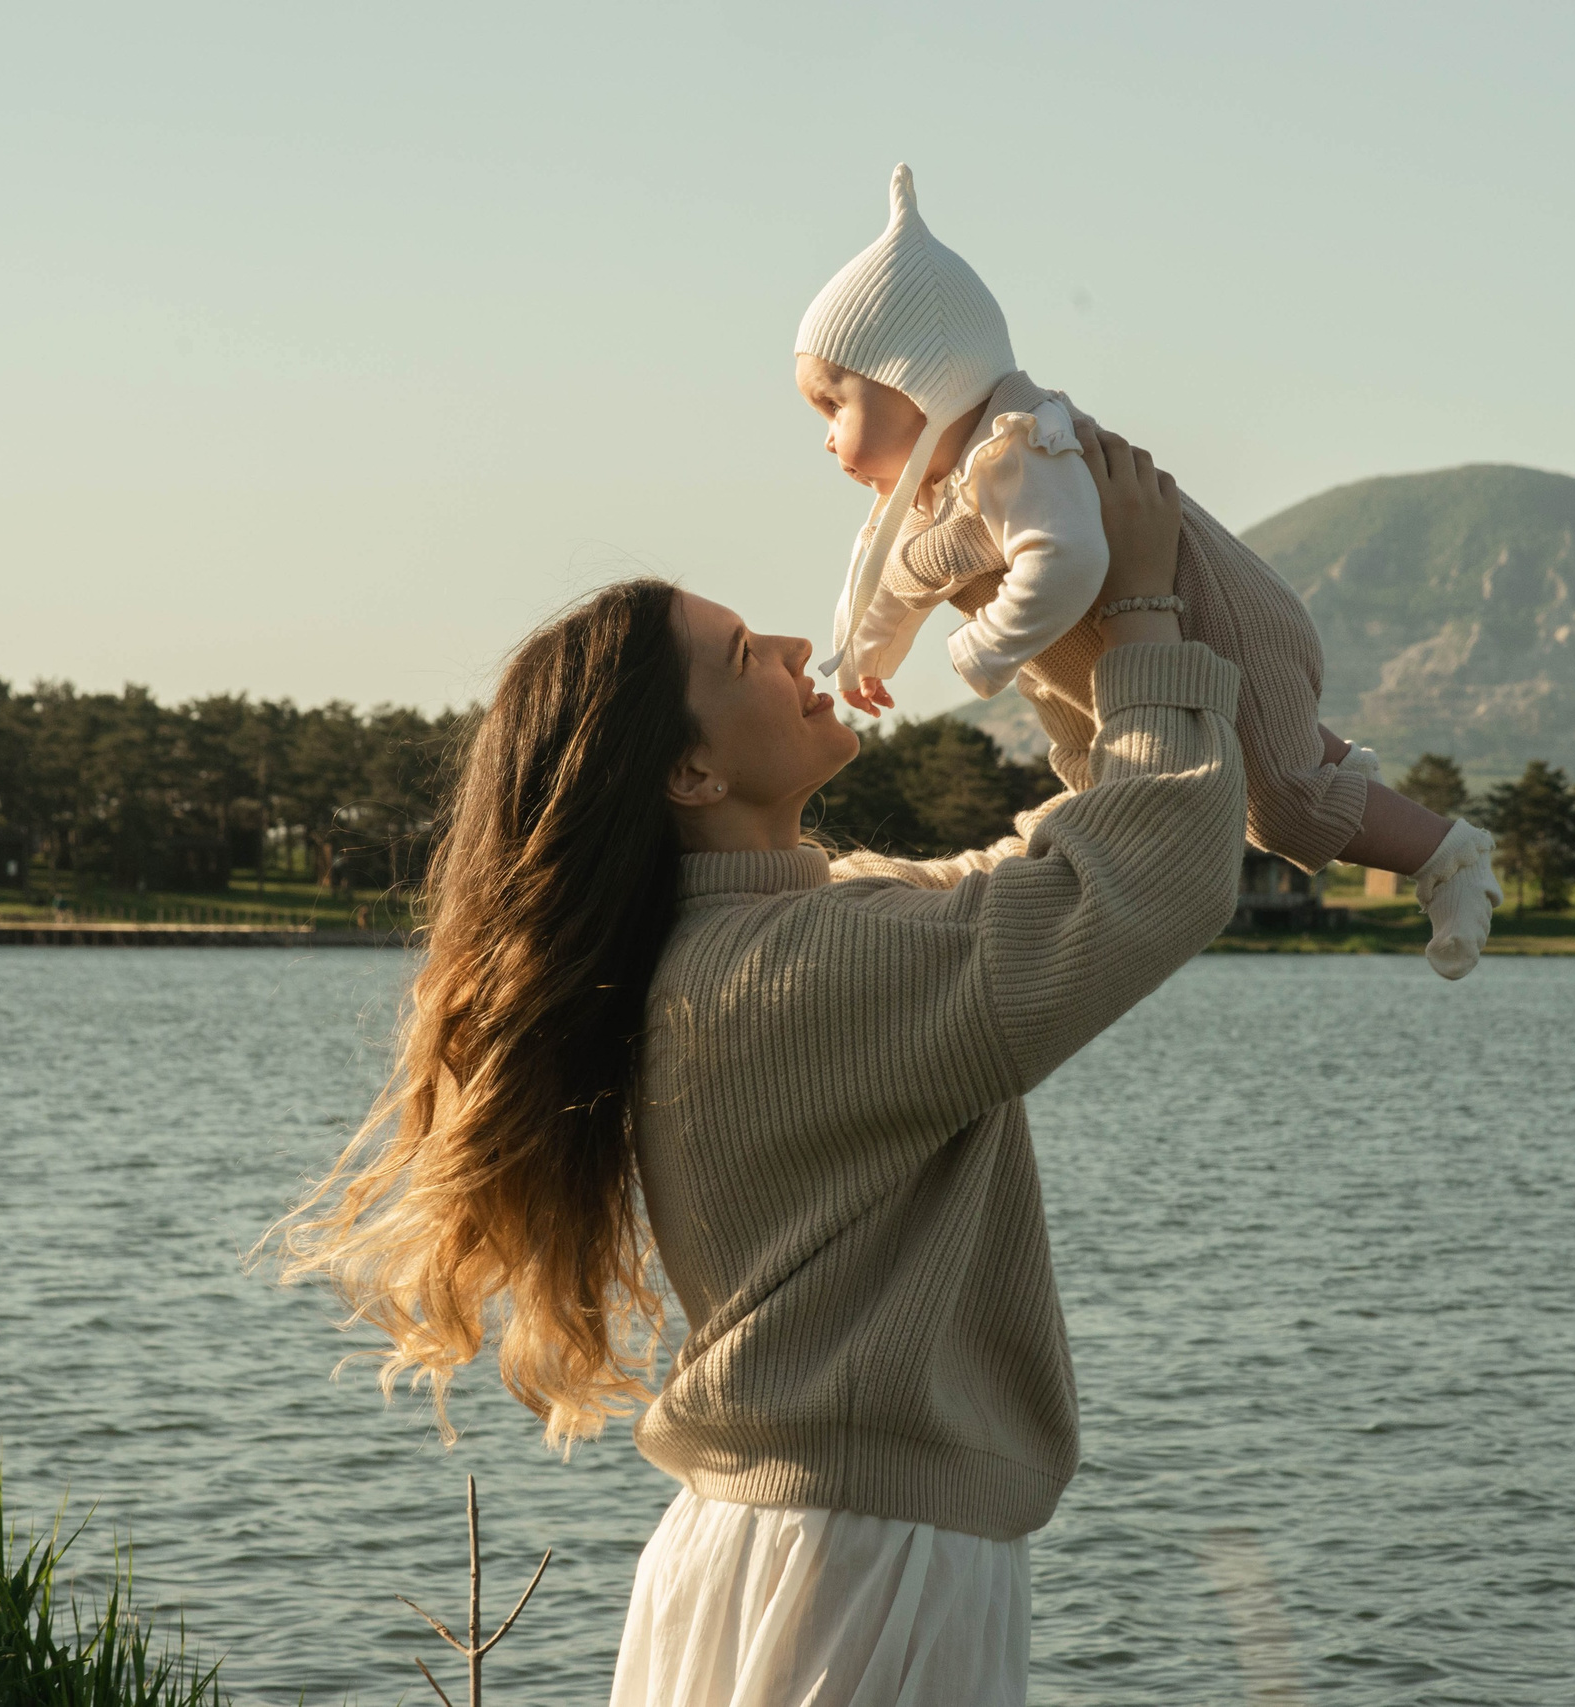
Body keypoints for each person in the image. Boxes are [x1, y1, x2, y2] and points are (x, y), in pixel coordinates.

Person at [278, 432, 1239, 1704]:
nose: (794, 647)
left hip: (803, 1547)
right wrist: (1145, 608)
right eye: (741, 655)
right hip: (863, 1569)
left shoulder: (773, 941)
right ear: (691, 770)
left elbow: (1060, 863)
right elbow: (1149, 879)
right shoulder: (800, 972)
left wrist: (1057, 624)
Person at [796, 164, 1501, 976]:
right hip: (1114, 666)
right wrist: (866, 653)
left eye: (835, 404)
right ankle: (1339, 779)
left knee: (1277, 805)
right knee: (1128, 782)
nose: (826, 435)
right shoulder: (932, 491)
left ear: (921, 377)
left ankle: (1450, 856)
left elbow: (1069, 561)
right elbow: (891, 573)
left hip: (1213, 623)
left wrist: (980, 649)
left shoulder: (1023, 447)